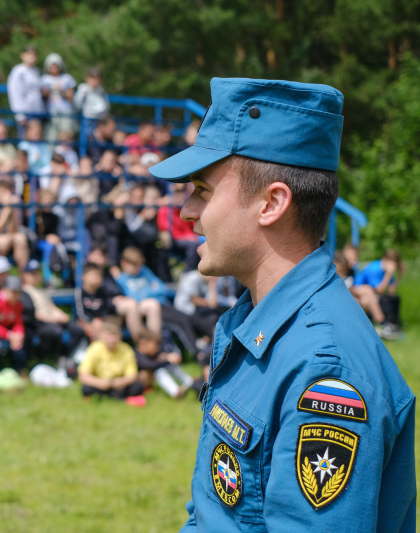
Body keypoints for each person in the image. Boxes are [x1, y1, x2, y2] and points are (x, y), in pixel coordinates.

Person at [149, 77, 415, 530]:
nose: (187, 211)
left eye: (203, 191)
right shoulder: (256, 322)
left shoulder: (324, 370)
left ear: (271, 203)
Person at [77, 316, 144, 402]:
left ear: (120, 335)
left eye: (114, 335)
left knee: (137, 386)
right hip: (100, 382)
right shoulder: (94, 348)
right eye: (108, 335)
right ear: (101, 335)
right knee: (86, 388)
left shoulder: (126, 350)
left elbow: (132, 375)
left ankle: (112, 397)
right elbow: (83, 375)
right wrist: (99, 383)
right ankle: (120, 398)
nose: (111, 339)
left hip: (118, 384)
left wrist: (122, 381)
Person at [353, 249, 404, 339]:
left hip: (373, 293)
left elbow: (392, 291)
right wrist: (389, 274)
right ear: (385, 260)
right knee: (383, 299)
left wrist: (400, 275)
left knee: (395, 298)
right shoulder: (374, 268)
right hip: (358, 292)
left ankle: (393, 325)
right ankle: (383, 325)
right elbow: (379, 290)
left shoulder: (385, 271)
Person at [134, 328, 193, 399]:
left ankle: (189, 381)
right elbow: (149, 365)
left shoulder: (151, 353)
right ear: (143, 343)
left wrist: (167, 357)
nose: (157, 348)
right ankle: (175, 391)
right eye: (155, 346)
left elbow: (158, 359)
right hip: (139, 382)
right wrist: (167, 360)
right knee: (158, 370)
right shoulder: (136, 354)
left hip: (150, 378)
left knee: (169, 364)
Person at [0, 275, 26, 372]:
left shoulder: (18, 303)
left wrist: (19, 333)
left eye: (18, 292)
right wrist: (9, 335)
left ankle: (19, 370)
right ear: (5, 290)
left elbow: (18, 321)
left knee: (21, 343)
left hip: (9, 331)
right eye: (13, 292)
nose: (16, 295)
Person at [40, 53, 77, 142]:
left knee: (65, 138)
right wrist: (52, 90)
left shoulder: (67, 78)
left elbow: (70, 95)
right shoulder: (44, 78)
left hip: (65, 112)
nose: (53, 68)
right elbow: (43, 93)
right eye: (51, 66)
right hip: (51, 112)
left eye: (55, 66)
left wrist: (60, 91)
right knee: (51, 137)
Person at [6, 45, 45, 127]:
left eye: (34, 54)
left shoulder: (36, 71)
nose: (32, 56)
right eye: (29, 54)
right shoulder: (18, 71)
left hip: (37, 113)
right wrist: (20, 116)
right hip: (25, 114)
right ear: (22, 55)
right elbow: (15, 93)